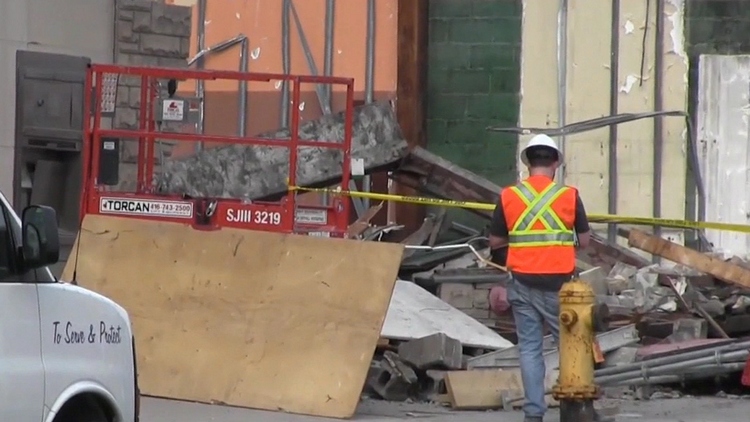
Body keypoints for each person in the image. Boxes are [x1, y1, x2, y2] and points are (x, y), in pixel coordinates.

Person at [488, 134, 591, 422]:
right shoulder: (569, 196)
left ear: (528, 164)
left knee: (530, 349)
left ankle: (534, 414)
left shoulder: (509, 196)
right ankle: (576, 409)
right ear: (555, 163)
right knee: (571, 346)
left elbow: (496, 240)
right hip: (560, 286)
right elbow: (584, 242)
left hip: (521, 282)